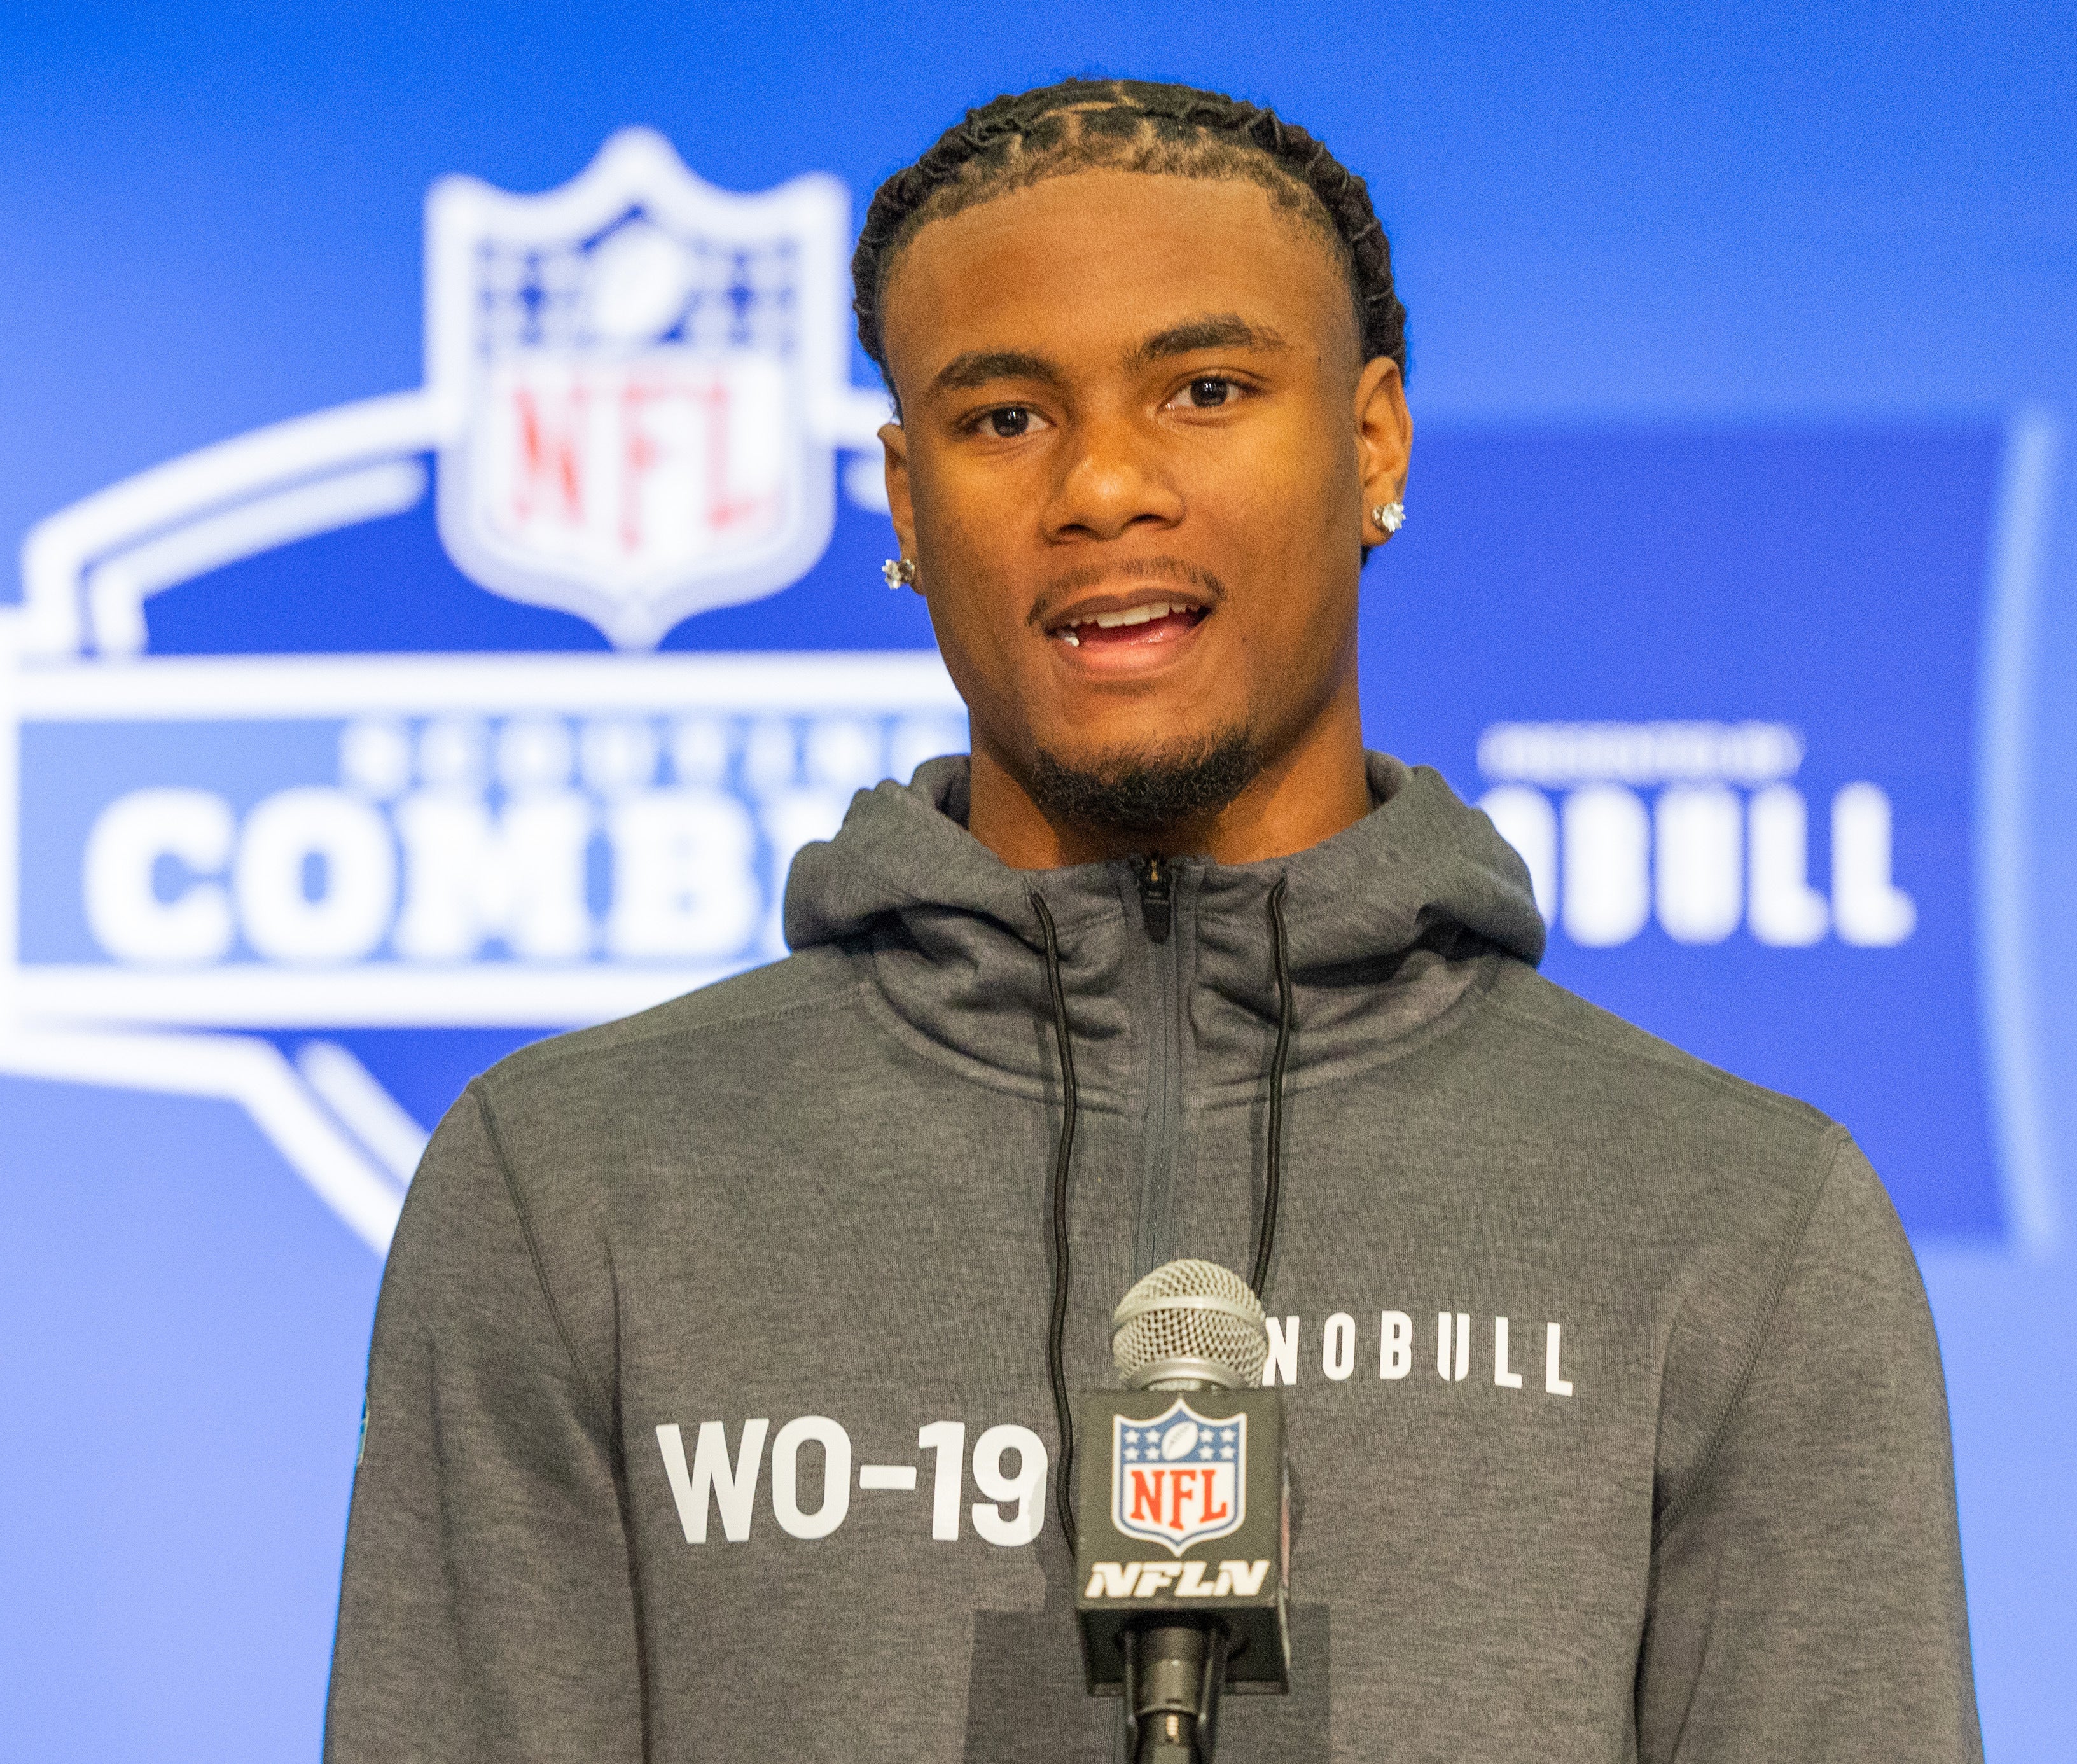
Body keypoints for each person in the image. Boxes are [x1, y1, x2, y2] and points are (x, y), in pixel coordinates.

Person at [324, 78, 1981, 1763]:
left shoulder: (1733, 1220)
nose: (1102, 484)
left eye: (1203, 389)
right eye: (1004, 418)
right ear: (907, 506)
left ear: (1372, 442)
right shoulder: (571, 1184)